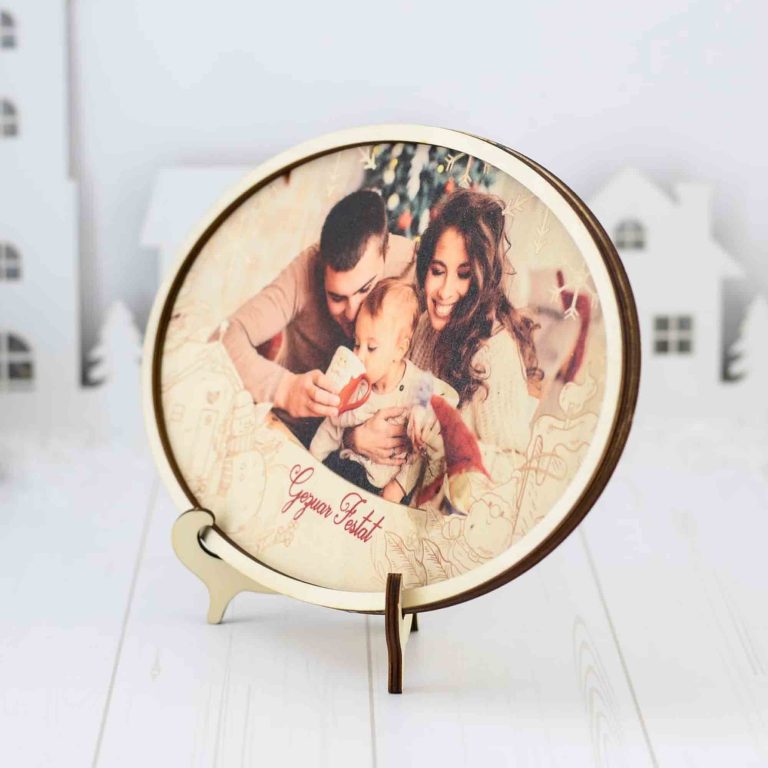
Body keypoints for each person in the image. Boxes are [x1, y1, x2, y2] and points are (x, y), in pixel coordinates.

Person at [213, 189, 415, 448]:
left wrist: (353, 439)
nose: (352, 313)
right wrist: (284, 389)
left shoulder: (414, 266)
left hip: (364, 453)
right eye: (337, 297)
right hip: (293, 433)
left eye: (365, 289)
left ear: (386, 251)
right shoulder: (305, 270)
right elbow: (227, 335)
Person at [406, 188, 544, 463]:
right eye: (438, 271)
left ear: (482, 281)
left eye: (464, 274)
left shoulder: (493, 354)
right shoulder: (425, 325)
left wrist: (451, 446)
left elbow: (513, 466)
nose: (445, 291)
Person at [309, 279, 455, 502]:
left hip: (382, 488)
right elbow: (331, 426)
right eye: (357, 344)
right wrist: (311, 463)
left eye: (371, 347)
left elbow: (447, 397)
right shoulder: (356, 383)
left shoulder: (418, 385)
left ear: (400, 349)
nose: (359, 356)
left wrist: (399, 486)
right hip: (345, 466)